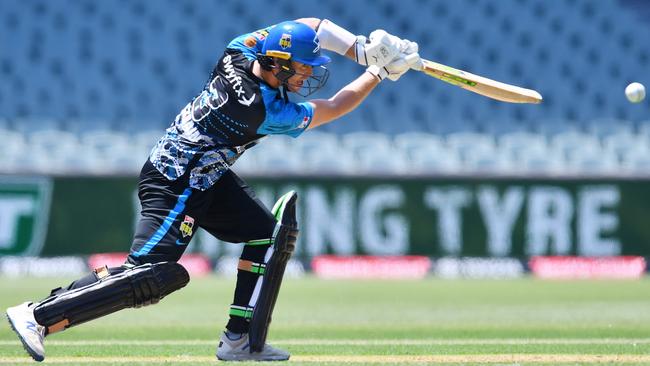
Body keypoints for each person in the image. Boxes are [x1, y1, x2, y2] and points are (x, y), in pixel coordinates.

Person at [5, 18, 422, 362]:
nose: (309, 73)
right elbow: (332, 108)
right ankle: (38, 314)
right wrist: (377, 73)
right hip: (176, 182)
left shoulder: (238, 51)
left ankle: (239, 341)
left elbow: (310, 24)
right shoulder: (259, 110)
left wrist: (361, 49)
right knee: (153, 276)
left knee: (266, 233)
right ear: (276, 66)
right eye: (301, 68)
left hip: (205, 175)